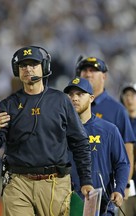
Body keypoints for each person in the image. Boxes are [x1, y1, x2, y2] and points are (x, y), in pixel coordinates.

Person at [0, 45, 94, 216]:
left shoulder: (61, 101)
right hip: (18, 183)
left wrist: (86, 180)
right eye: (23, 65)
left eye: (33, 64)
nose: (28, 69)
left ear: (44, 67)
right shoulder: (8, 105)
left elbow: (80, 142)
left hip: (54, 183)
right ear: (17, 70)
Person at [64, 77, 130, 216]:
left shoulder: (109, 130)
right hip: (66, 204)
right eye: (71, 95)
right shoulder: (59, 131)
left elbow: (122, 164)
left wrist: (119, 189)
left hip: (101, 206)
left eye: (80, 94)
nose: (74, 98)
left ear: (91, 98)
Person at [76, 57, 135, 197]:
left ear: (104, 76)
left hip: (105, 188)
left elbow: (127, 150)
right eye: (84, 70)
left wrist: (124, 184)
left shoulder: (117, 110)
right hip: (74, 186)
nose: (88, 74)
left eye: (93, 70)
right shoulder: (71, 107)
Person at [120, 83, 136, 216]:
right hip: (127, 181)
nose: (129, 98)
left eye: (133, 95)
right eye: (127, 95)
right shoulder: (120, 123)